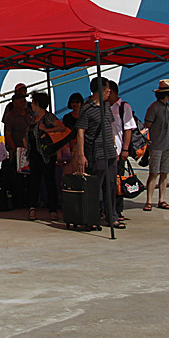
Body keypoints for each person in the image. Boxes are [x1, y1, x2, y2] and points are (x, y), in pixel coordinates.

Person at [73, 77, 123, 229]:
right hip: (97, 153)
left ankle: (112, 216)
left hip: (110, 152)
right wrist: (81, 155)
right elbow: (80, 132)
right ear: (100, 89)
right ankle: (92, 218)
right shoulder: (87, 109)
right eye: (107, 88)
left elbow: (110, 126)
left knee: (111, 185)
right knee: (95, 188)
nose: (109, 91)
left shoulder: (106, 106)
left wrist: (114, 146)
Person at [26, 91, 65, 221]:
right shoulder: (33, 118)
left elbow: (61, 127)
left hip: (46, 154)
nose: (31, 105)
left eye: (33, 102)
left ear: (38, 104)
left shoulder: (48, 117)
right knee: (34, 181)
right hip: (34, 153)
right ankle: (32, 208)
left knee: (49, 181)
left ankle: (53, 209)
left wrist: (47, 130)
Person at [143, 79, 169, 211]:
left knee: (164, 173)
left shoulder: (167, 107)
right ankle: (149, 201)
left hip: (167, 145)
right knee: (154, 173)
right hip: (156, 145)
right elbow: (147, 126)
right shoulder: (154, 108)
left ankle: (161, 199)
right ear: (167, 94)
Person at [107, 80, 136, 222]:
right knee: (107, 181)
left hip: (118, 150)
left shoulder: (124, 107)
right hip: (106, 151)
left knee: (118, 181)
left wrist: (125, 149)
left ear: (111, 91)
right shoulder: (104, 107)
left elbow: (128, 129)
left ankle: (118, 210)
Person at [1, 89, 32, 207]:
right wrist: (14, 149)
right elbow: (8, 134)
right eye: (20, 100)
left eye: (24, 100)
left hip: (29, 148)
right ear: (14, 102)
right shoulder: (10, 116)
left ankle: (30, 199)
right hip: (18, 150)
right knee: (17, 177)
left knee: (30, 176)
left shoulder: (29, 113)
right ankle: (18, 200)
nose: (23, 102)